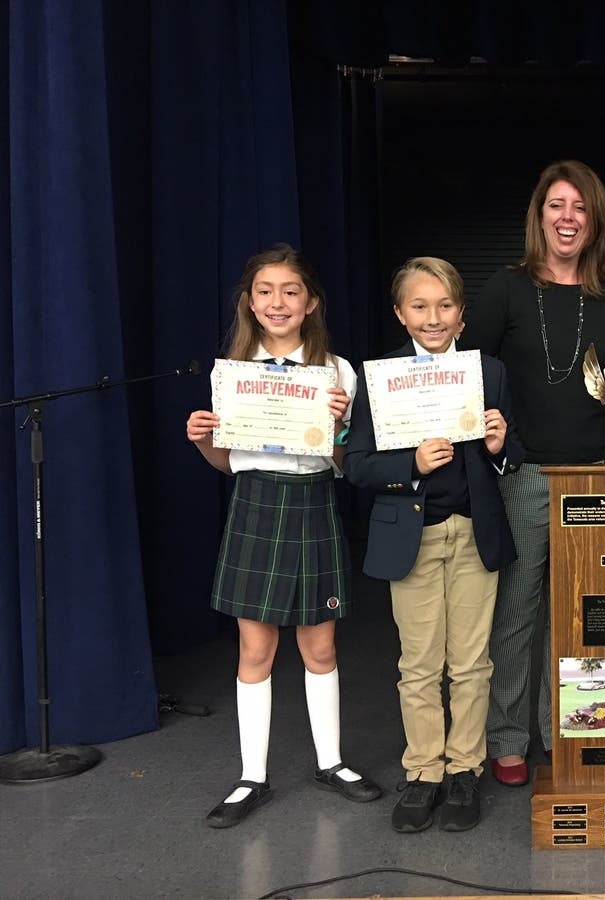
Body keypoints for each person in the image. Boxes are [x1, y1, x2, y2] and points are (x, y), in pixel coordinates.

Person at [186, 244, 382, 829]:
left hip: (314, 502)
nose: (278, 302)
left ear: (311, 302)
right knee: (255, 650)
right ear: (250, 302)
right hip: (255, 504)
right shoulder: (232, 373)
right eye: (265, 291)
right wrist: (202, 440)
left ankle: (331, 763)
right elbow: (228, 463)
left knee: (320, 648)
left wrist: (342, 426)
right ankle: (252, 777)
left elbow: (346, 462)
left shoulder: (338, 372)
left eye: (291, 291)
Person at [460, 160, 605, 787]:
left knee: (582, 614)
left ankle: (571, 729)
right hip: (523, 476)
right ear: (539, 216)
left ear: (595, 220)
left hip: (595, 479)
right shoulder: (506, 290)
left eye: (580, 207)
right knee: (516, 613)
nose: (568, 217)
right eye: (556, 205)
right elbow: (468, 376)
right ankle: (507, 736)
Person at [344, 257, 523, 833]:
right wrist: (411, 466)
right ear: (400, 313)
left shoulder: (488, 372)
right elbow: (357, 465)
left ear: (461, 313)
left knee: (471, 663)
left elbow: (513, 454)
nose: (433, 317)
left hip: (474, 533)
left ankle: (465, 769)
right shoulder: (381, 378)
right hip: (412, 536)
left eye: (445, 305)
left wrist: (499, 447)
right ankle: (424, 772)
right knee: (419, 665)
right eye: (420, 306)